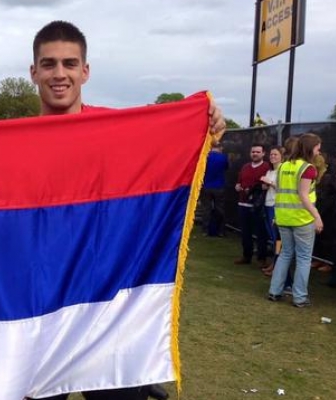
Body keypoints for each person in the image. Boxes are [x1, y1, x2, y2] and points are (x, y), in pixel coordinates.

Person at [28, 20, 224, 400]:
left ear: (85, 71)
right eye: (49, 64)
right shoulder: (14, 142)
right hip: (42, 311)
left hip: (111, 310)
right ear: (34, 72)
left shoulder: (115, 130)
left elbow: (175, 147)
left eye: (70, 64)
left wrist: (206, 120)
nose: (59, 74)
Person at [268, 133, 323, 307]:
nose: (319, 151)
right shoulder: (308, 168)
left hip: (284, 217)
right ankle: (299, 297)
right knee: (304, 258)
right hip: (302, 218)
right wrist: (317, 216)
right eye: (317, 148)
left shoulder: (283, 166)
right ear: (310, 148)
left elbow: (280, 191)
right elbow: (303, 196)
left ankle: (274, 291)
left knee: (285, 254)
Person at [234, 144, 270, 267]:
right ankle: (246, 255)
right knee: (245, 232)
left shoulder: (267, 167)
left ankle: (262, 258)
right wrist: (238, 186)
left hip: (258, 205)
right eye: (253, 151)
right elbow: (239, 182)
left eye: (258, 152)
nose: (255, 154)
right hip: (243, 203)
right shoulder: (245, 167)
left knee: (261, 233)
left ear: (263, 153)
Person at [259, 146, 284, 276]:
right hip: (268, 203)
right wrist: (265, 184)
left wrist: (271, 183)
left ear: (281, 156)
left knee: (277, 238)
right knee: (272, 237)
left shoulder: (282, 170)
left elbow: (283, 188)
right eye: (271, 154)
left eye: (276, 154)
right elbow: (266, 187)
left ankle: (277, 267)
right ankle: (274, 264)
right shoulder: (270, 171)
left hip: (277, 205)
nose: (272, 156)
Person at [201, 142, 229, 236]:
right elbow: (226, 167)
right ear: (220, 147)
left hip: (206, 186)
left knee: (206, 209)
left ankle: (205, 230)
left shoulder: (205, 157)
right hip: (219, 186)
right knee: (220, 208)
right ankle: (220, 230)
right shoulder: (223, 157)